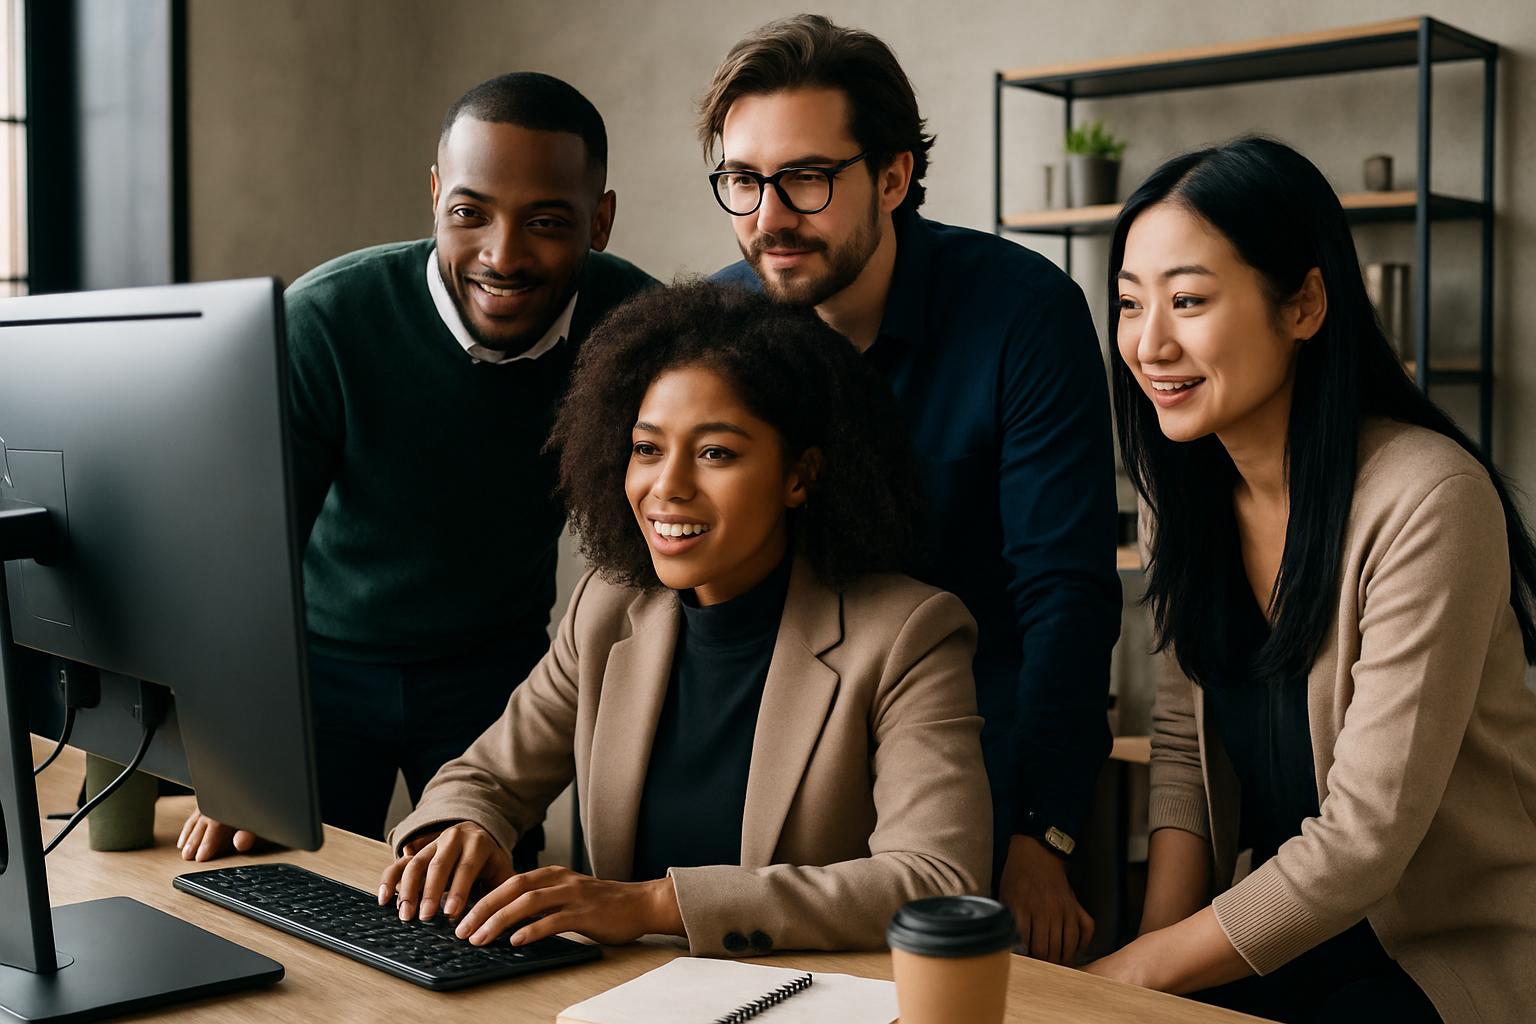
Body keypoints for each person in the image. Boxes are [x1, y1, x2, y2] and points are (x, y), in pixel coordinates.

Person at [378, 281, 992, 955]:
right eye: (646, 448)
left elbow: (936, 880)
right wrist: (462, 829)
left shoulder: (909, 635)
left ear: (801, 475)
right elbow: (487, 777)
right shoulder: (608, 608)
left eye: (714, 453)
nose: (666, 486)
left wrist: (653, 904)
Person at [1084, 136, 1536, 1024]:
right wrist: (1137, 997)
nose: (1149, 343)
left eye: (1187, 301)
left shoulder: (1429, 499)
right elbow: (1182, 750)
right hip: (1275, 932)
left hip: (1439, 955)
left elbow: (1363, 843)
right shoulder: (1184, 496)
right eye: (1130, 304)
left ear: (1305, 305)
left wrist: (1140, 970)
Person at [702, 15, 1120, 963]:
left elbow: (1066, 592)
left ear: (892, 177)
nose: (768, 216)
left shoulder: (1023, 311)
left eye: (807, 178)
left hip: (983, 758)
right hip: (783, 749)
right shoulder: (721, 320)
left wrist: (1042, 832)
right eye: (741, 180)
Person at [175, 73, 656, 866]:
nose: (503, 254)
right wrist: (241, 757)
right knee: (279, 883)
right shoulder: (326, 322)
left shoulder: (633, 328)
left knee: (475, 909)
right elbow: (245, 565)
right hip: (319, 669)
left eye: (545, 221)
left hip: (495, 674)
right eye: (470, 213)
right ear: (435, 196)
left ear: (598, 221)